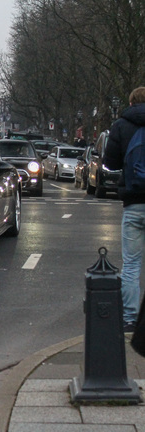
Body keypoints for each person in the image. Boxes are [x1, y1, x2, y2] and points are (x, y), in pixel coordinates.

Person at [103, 87, 145, 332]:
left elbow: (110, 162)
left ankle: (130, 319)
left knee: (131, 264)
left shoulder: (120, 125)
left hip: (133, 203)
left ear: (130, 102)